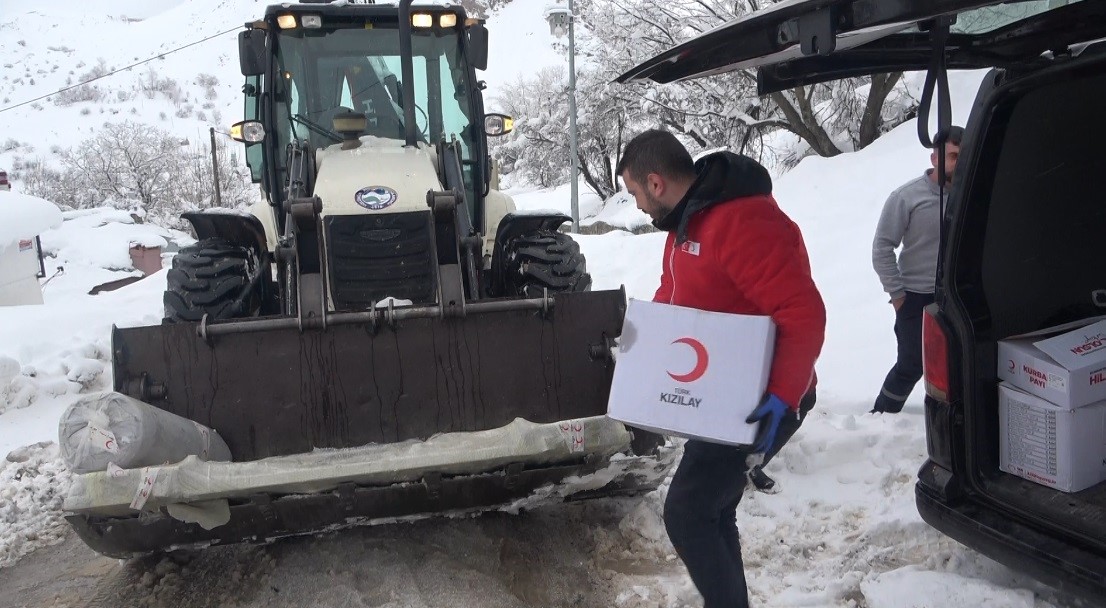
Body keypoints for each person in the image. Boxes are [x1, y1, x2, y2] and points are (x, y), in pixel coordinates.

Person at [617, 129, 826, 608]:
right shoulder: (685, 224)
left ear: (655, 182)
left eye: (634, 194)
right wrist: (642, 347)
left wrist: (783, 397)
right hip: (720, 392)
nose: (638, 208)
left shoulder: (740, 221)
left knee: (688, 514)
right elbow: (676, 299)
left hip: (762, 401)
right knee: (713, 511)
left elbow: (804, 313)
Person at [870, 126, 962, 414]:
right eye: (953, 156)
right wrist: (898, 295)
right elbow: (882, 248)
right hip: (915, 297)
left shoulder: (969, 194)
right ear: (935, 158)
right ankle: (881, 417)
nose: (959, 163)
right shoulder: (907, 197)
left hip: (956, 296)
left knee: (956, 364)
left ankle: (954, 421)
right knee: (911, 363)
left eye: (964, 156)